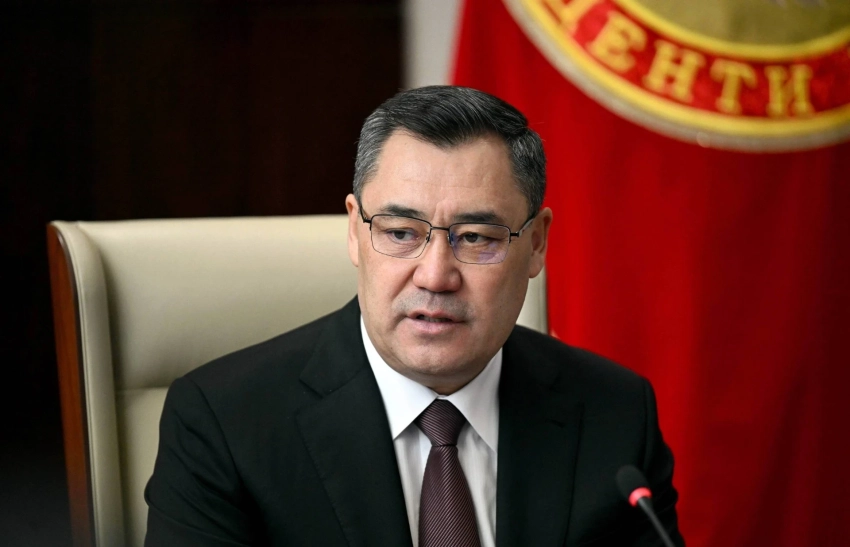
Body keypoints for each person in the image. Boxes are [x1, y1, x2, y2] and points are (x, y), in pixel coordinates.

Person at [144, 85, 684, 546]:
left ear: (536, 244)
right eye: (401, 232)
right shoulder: (224, 424)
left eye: (476, 238)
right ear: (355, 230)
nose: (435, 275)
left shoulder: (615, 417)